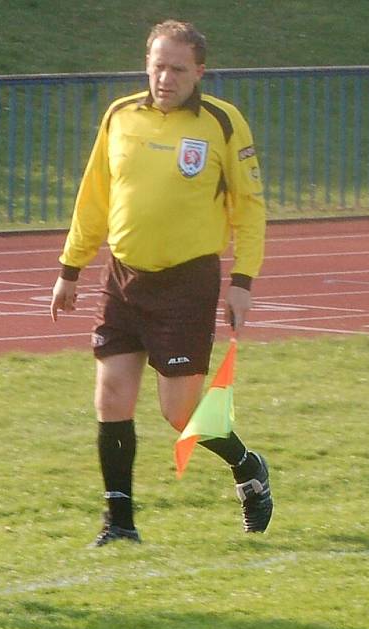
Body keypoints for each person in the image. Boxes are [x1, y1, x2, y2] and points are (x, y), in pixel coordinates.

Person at [50, 19, 273, 546]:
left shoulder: (223, 123)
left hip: (187, 283)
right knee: (111, 399)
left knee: (178, 413)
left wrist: (244, 279)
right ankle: (120, 523)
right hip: (123, 276)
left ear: (199, 71)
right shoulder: (120, 116)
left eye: (177, 68)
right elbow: (95, 197)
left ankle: (248, 466)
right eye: (157, 66)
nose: (165, 78)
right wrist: (70, 268)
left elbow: (251, 207)